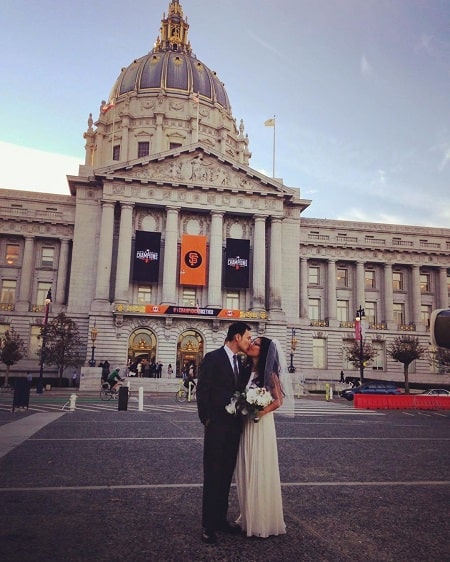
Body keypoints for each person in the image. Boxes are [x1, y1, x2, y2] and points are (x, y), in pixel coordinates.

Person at [196, 321, 253, 545]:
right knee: (212, 476)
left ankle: (220, 519)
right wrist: (207, 420)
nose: (249, 341)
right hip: (216, 427)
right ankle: (208, 526)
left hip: (234, 428)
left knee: (226, 475)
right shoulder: (213, 358)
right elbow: (203, 391)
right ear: (237, 337)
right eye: (247, 337)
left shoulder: (240, 363)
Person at [235, 337, 294, 538]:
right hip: (246, 425)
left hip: (260, 425)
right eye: (252, 340)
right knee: (246, 468)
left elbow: (279, 400)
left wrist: (260, 411)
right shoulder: (245, 371)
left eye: (257, 343)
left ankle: (261, 520)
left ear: (265, 351)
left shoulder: (269, 374)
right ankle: (248, 515)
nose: (251, 344)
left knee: (258, 467)